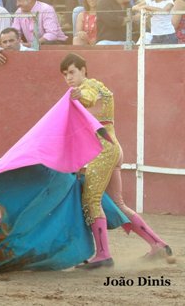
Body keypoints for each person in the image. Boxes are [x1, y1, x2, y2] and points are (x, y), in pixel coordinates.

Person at [60, 53, 173, 269]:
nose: (69, 78)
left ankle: (103, 255)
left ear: (84, 69)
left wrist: (78, 96)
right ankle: (158, 244)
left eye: (72, 72)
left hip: (102, 151)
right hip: (112, 147)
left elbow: (88, 96)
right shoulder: (98, 87)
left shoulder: (88, 87)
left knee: (91, 200)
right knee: (118, 203)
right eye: (65, 75)